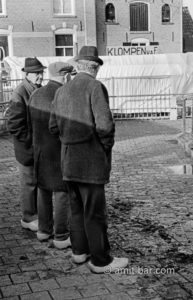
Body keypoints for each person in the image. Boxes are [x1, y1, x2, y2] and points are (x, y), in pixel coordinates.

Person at [49, 46, 128, 273]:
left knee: (76, 209)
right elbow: (105, 126)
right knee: (94, 212)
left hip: (68, 161)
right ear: (95, 68)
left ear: (77, 66)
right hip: (91, 163)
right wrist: (104, 148)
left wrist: (68, 140)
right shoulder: (95, 87)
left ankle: (79, 252)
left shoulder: (61, 91)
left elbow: (53, 126)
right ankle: (101, 261)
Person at [28, 61, 73, 249]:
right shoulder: (64, 94)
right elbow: (65, 126)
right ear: (65, 76)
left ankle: (43, 230)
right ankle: (61, 236)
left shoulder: (35, 94)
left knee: (43, 190)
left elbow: (29, 124)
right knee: (62, 192)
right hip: (58, 152)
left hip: (39, 150)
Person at [7, 57, 46, 232]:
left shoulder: (37, 89)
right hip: (27, 149)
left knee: (37, 182)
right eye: (36, 73)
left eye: (41, 72)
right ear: (27, 74)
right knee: (29, 183)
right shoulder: (20, 92)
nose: (40, 76)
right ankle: (28, 217)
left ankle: (36, 215)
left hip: (38, 148)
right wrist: (30, 142)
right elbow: (14, 124)